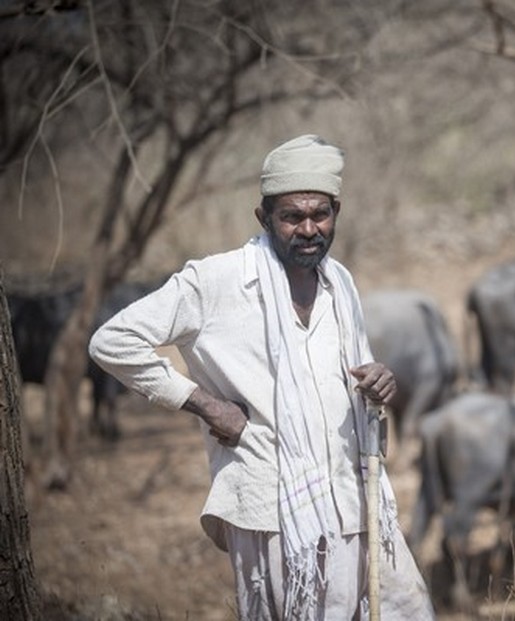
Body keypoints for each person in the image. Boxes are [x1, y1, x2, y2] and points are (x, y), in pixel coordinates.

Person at [89, 134, 435, 620]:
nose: (309, 228)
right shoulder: (216, 281)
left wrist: (379, 380)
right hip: (273, 507)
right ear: (264, 218)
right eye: (292, 216)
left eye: (321, 214)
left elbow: (353, 376)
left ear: (337, 211)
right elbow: (112, 340)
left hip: (354, 498)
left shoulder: (341, 282)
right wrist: (206, 405)